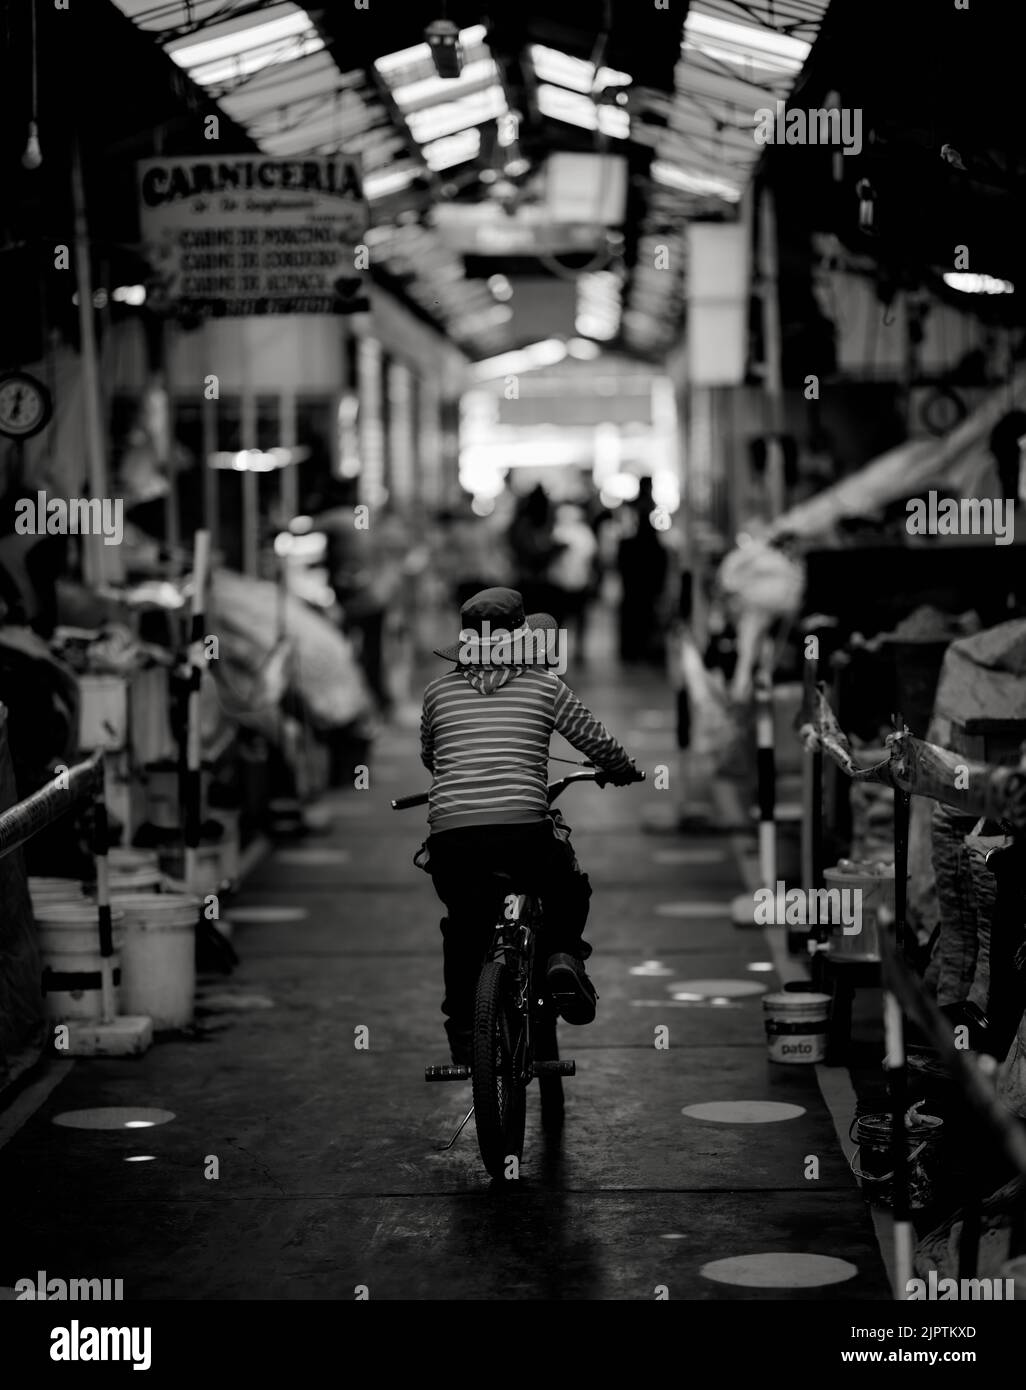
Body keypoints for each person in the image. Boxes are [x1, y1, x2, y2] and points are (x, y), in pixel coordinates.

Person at [417, 586, 642, 1065]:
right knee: (568, 886)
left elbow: (431, 759)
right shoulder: (543, 685)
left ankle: (463, 1030)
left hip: (453, 839)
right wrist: (621, 770)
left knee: (463, 930)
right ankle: (561, 955)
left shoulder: (437, 692)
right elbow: (597, 742)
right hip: (523, 833)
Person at [548, 501, 598, 660]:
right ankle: (558, 650)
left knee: (578, 618)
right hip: (560, 583)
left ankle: (577, 649)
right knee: (561, 619)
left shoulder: (582, 533)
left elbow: (590, 558)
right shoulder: (558, 531)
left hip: (577, 582)